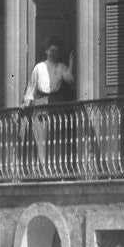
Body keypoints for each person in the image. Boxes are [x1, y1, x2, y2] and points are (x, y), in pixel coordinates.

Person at [22, 39, 74, 170]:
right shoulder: (39, 67)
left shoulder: (61, 67)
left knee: (56, 135)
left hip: (56, 102)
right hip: (41, 102)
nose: (54, 54)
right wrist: (27, 102)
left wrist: (71, 63)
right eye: (51, 50)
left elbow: (70, 79)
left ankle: (54, 166)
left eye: (56, 51)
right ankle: (42, 167)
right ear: (46, 51)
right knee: (41, 136)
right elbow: (32, 87)